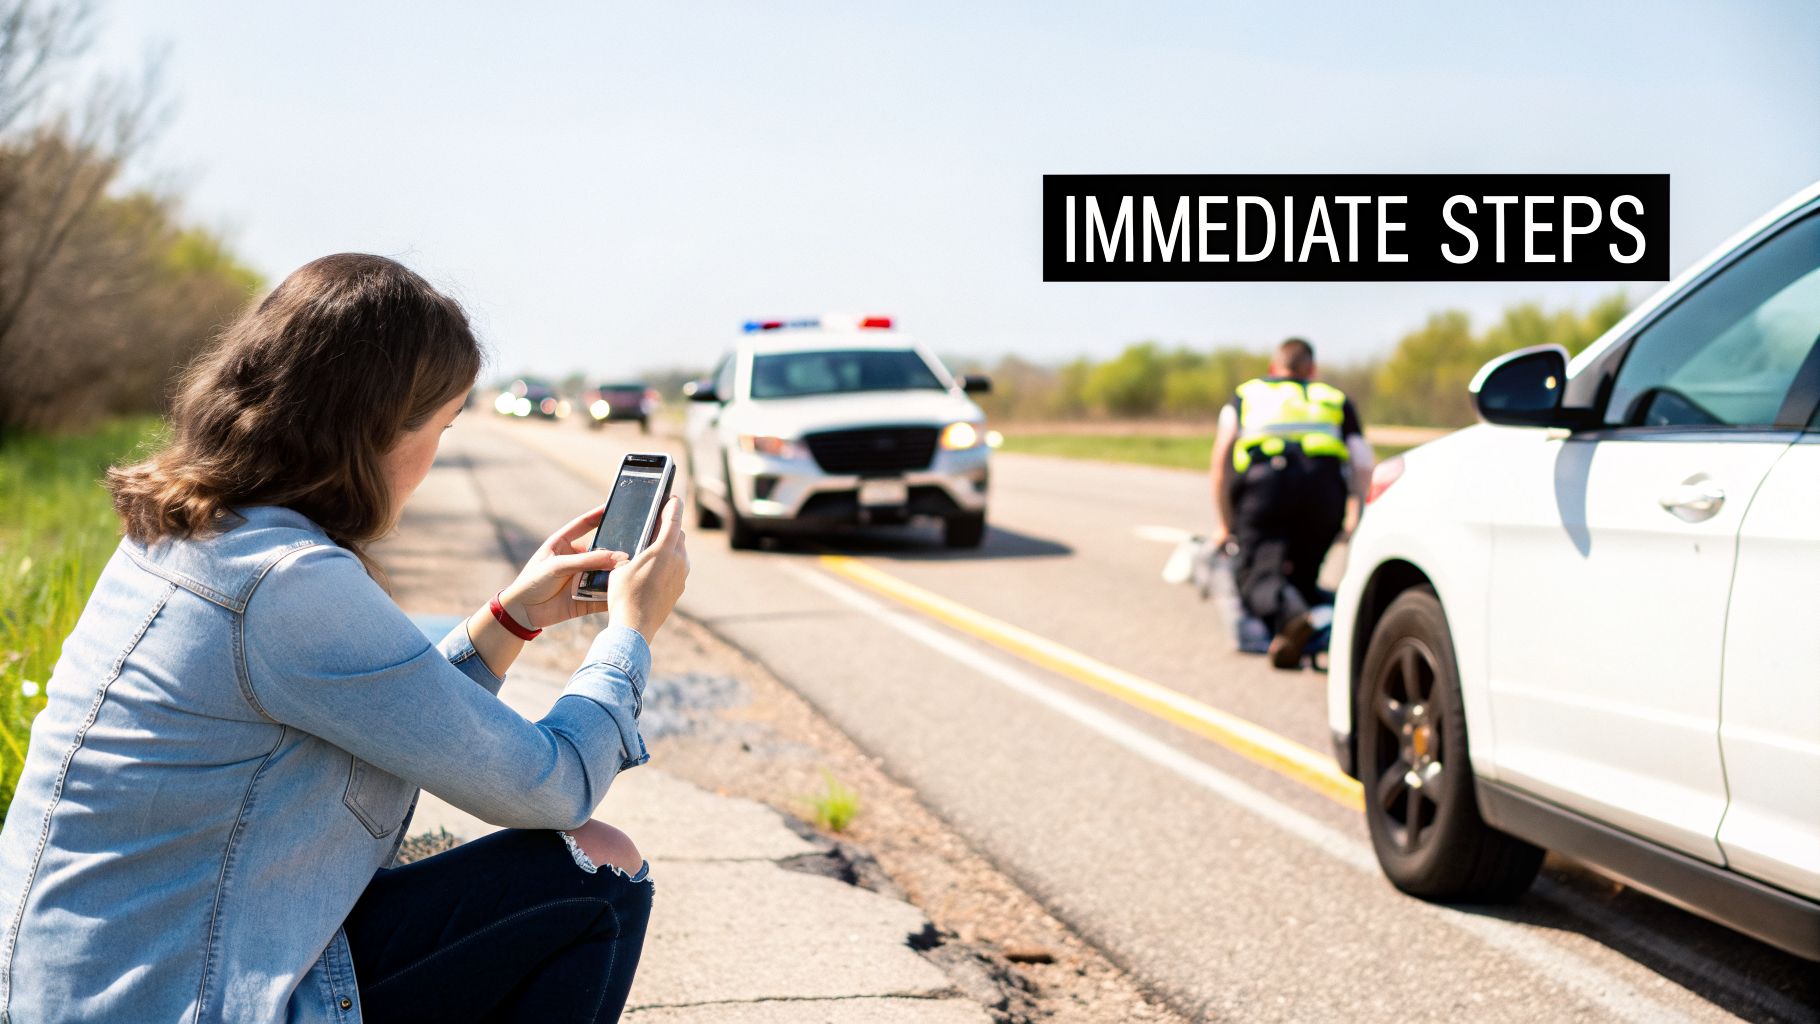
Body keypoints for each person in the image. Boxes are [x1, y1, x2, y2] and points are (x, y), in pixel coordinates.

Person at [0, 254, 689, 1023]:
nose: (435, 456)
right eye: (443, 426)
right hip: (179, 995)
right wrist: (631, 634)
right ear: (376, 431)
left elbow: (396, 709)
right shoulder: (288, 584)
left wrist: (513, 618)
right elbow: (553, 787)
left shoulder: (198, 533)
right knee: (597, 869)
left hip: (94, 979)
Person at [1211, 337, 1372, 669]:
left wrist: (1225, 523)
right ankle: (1316, 627)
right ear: (1312, 370)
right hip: (1324, 492)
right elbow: (1362, 463)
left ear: (1274, 368)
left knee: (1257, 575)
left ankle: (1299, 620)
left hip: (1266, 487)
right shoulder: (1335, 399)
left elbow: (1222, 457)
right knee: (1303, 574)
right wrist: (1357, 515)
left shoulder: (1248, 394)